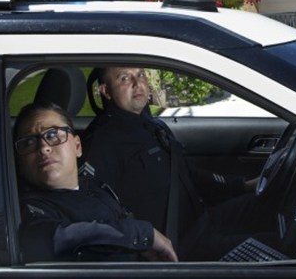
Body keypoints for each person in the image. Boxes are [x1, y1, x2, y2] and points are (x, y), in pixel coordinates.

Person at [81, 67, 269, 260]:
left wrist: (243, 185)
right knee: (273, 244)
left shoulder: (154, 127)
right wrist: (141, 241)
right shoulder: (103, 142)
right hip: (177, 249)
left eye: (141, 75)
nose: (137, 84)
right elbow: (92, 210)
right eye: (125, 78)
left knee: (265, 203)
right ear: (105, 91)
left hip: (201, 221)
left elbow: (188, 173)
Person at [14, 101, 177, 262]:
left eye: (52, 135)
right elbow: (54, 239)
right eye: (29, 142)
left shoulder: (95, 186)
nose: (43, 148)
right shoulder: (29, 209)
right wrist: (143, 234)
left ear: (77, 146)